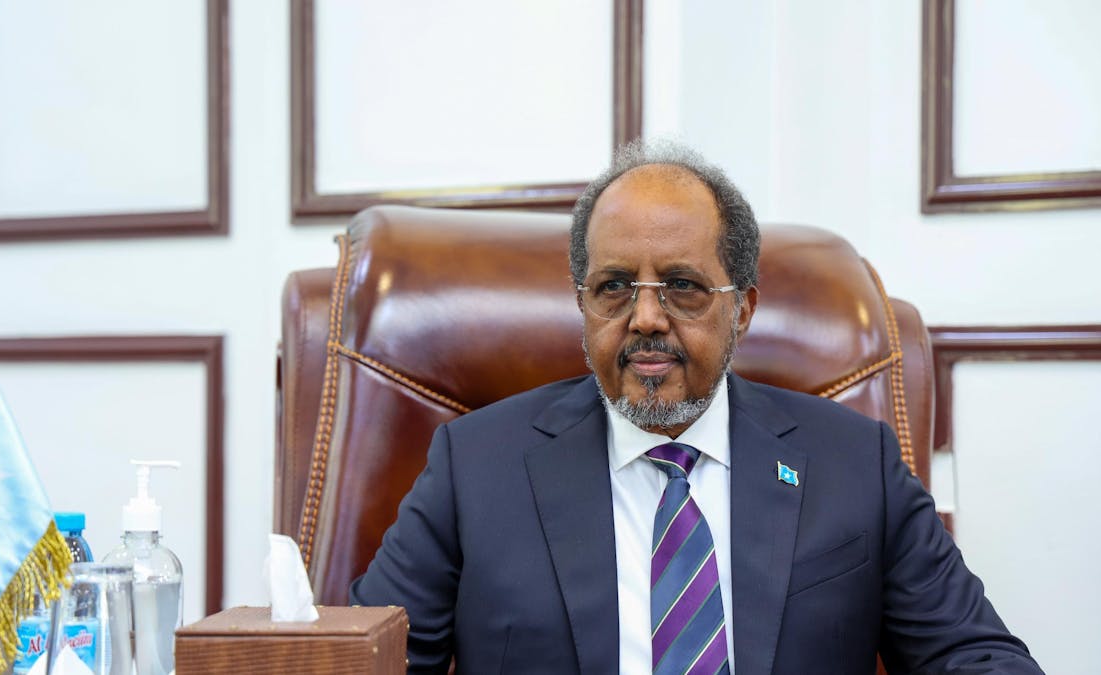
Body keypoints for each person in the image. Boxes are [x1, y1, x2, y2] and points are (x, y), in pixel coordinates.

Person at [350, 140, 1042, 674]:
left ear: (742, 309)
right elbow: (363, 659)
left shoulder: (855, 464)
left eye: (682, 286)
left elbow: (977, 656)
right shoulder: (475, 468)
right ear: (583, 305)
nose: (646, 317)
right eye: (614, 286)